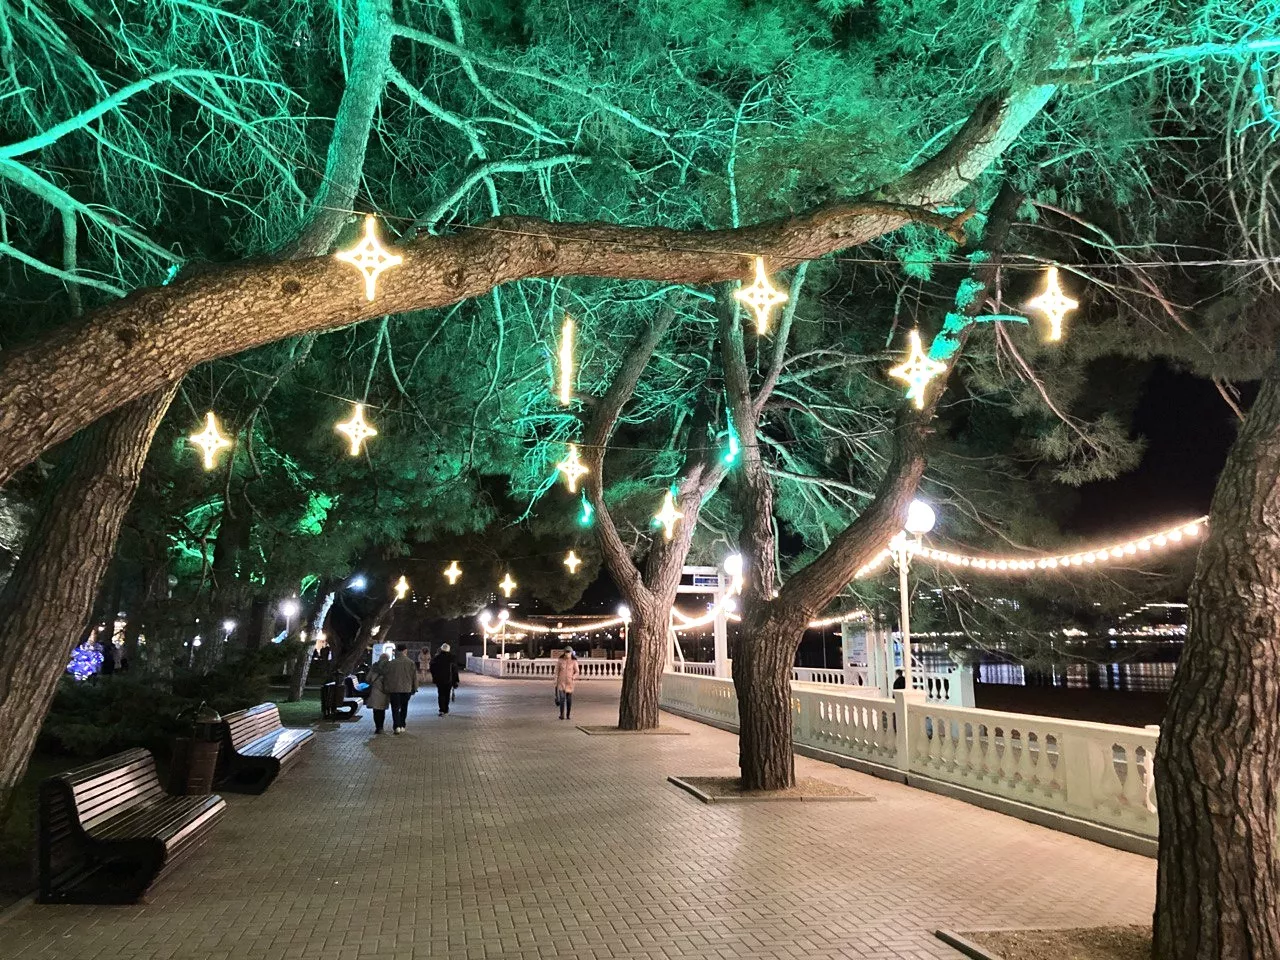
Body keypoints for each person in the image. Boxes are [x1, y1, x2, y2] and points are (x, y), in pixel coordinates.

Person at [382, 644, 418, 733]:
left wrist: (386, 687)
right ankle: (402, 725)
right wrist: (415, 687)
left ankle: (396, 726)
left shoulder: (391, 663)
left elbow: (386, 677)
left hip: (394, 689)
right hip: (406, 688)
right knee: (404, 707)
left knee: (395, 708)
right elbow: (414, 677)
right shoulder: (410, 662)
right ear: (405, 651)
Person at [429, 644, 460, 716]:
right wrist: (455, 681)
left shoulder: (437, 658)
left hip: (439, 680)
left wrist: (435, 677)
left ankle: (441, 710)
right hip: (449, 680)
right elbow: (455, 670)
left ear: (441, 649)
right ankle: (446, 709)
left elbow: (432, 668)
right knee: (447, 694)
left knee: (441, 694)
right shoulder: (452, 658)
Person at [366, 650, 392, 733]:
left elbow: (367, 679)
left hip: (375, 691)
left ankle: (378, 727)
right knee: (382, 711)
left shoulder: (374, 667)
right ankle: (381, 727)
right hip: (385, 692)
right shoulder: (389, 668)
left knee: (376, 711)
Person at [555, 648, 579, 721]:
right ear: (564, 652)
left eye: (569, 652)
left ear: (571, 653)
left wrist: (573, 677)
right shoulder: (560, 661)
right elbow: (557, 671)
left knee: (569, 700)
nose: (567, 653)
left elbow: (577, 671)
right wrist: (555, 680)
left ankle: (568, 714)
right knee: (562, 699)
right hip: (561, 682)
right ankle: (561, 714)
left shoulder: (574, 661)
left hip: (569, 682)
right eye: (566, 652)